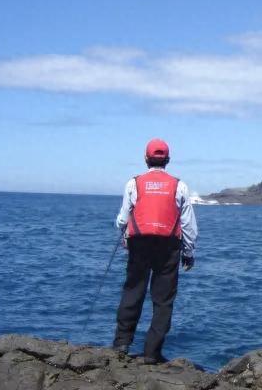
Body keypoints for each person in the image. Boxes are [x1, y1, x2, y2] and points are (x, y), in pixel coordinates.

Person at [112, 138, 198, 364]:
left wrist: (123, 232)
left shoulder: (134, 183)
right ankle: (152, 353)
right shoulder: (179, 185)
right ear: (167, 160)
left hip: (139, 244)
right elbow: (188, 224)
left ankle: (121, 343)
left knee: (133, 291)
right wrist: (188, 252)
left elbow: (123, 217)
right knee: (163, 300)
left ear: (146, 158)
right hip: (168, 246)